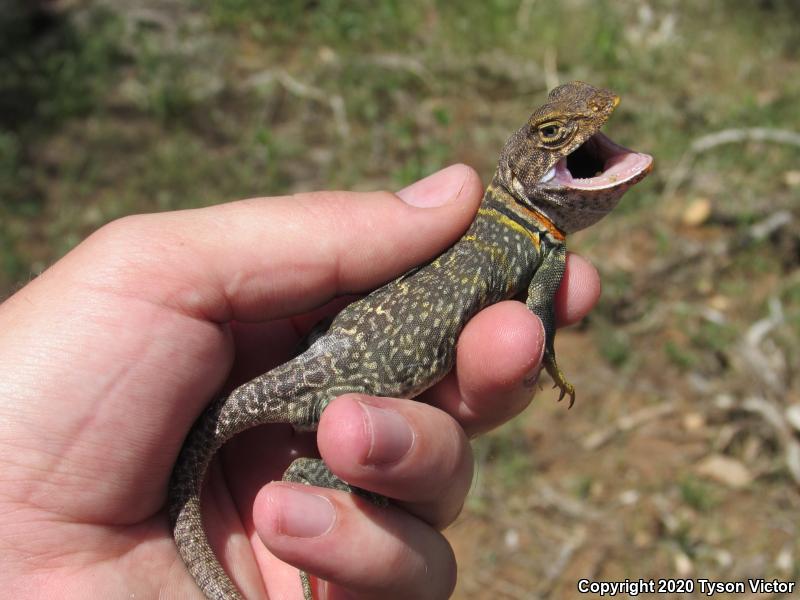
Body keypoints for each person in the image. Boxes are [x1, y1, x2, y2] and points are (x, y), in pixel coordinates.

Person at [0, 164, 600, 599]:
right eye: (551, 136)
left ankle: (311, 478)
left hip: (324, 353)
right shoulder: (535, 245)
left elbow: (537, 306)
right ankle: (308, 476)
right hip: (331, 377)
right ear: (523, 165)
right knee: (359, 452)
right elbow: (539, 310)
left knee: (364, 445)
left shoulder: (527, 237)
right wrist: (548, 360)